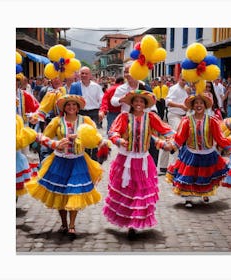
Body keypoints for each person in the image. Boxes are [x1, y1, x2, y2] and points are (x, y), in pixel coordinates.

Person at [26, 95, 105, 239]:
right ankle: (63, 223)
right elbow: (43, 137)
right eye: (68, 105)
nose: (71, 108)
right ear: (64, 107)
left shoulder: (85, 121)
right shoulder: (57, 121)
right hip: (60, 161)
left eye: (74, 105)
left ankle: (72, 225)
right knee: (60, 193)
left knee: (74, 192)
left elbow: (95, 137)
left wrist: (100, 142)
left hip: (78, 161)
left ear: (78, 107)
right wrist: (54, 144)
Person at [103, 90, 174, 239]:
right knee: (127, 191)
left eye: (142, 102)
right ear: (132, 103)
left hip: (143, 160)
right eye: (136, 101)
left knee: (140, 192)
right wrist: (119, 140)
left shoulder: (151, 117)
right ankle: (129, 223)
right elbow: (113, 132)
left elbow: (165, 130)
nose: (138, 104)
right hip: (125, 159)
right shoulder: (124, 117)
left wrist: (171, 141)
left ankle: (135, 223)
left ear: (145, 104)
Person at [165, 91, 231, 208]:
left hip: (207, 154)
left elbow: (219, 137)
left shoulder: (212, 120)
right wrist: (172, 145)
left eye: (201, 103)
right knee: (189, 176)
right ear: (192, 106)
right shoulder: (186, 121)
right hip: (191, 153)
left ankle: (205, 193)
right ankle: (188, 198)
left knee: (206, 176)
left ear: (205, 105)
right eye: (196, 103)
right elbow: (180, 137)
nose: (198, 105)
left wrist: (229, 149)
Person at [110, 61, 160, 166]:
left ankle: (151, 170)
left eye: (129, 72)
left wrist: (154, 113)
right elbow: (113, 102)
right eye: (125, 72)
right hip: (128, 123)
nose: (127, 75)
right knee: (128, 148)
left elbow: (152, 101)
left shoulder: (144, 86)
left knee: (151, 145)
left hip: (144, 121)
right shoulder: (121, 88)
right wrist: (121, 99)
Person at [70, 66, 104, 160]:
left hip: (93, 113)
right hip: (80, 113)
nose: (84, 75)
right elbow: (71, 100)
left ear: (90, 75)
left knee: (93, 136)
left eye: (86, 73)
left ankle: (93, 159)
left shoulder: (96, 87)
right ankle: (82, 157)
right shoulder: (75, 86)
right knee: (80, 135)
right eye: (82, 73)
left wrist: (102, 112)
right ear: (79, 75)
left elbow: (102, 100)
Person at [158, 74, 188, 175]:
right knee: (177, 138)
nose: (184, 82)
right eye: (183, 80)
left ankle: (163, 166)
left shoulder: (186, 90)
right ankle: (175, 167)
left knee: (172, 139)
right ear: (179, 78)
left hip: (183, 116)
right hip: (174, 115)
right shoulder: (174, 88)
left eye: (186, 80)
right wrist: (180, 106)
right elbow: (168, 102)